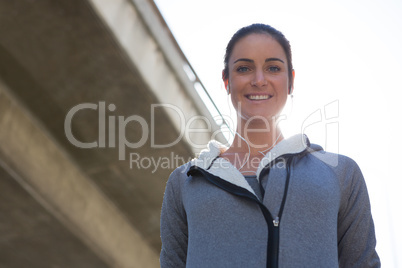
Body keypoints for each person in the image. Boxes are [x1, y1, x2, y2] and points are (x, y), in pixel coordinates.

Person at [160, 23, 380, 268]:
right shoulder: (184, 183)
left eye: (273, 68)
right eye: (244, 68)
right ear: (226, 81)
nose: (259, 80)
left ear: (290, 81)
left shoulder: (341, 174)